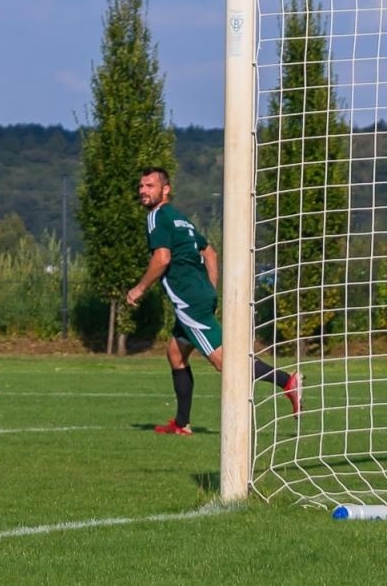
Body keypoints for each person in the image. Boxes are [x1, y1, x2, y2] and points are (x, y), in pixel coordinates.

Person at [126, 166, 301, 434]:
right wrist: (211, 287)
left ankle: (287, 381)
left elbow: (162, 258)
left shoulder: (157, 217)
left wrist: (139, 288)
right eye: (141, 186)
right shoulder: (180, 219)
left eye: (150, 186)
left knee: (225, 363)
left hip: (188, 300)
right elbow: (210, 253)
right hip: (200, 294)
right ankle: (181, 424)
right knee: (175, 354)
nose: (143, 191)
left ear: (166, 189)